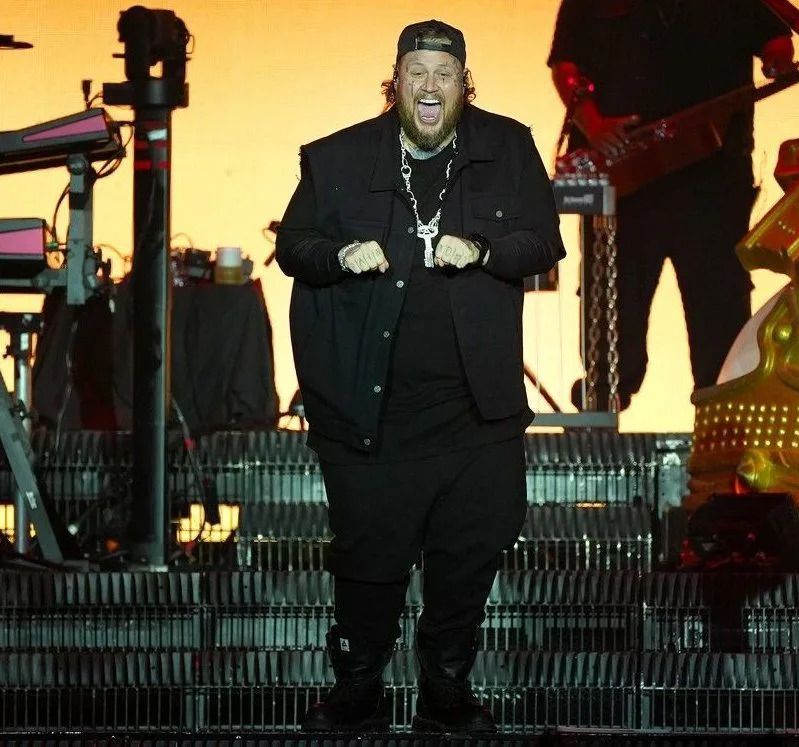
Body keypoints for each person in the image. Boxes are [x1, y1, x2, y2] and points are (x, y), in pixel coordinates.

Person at [275, 19, 564, 733]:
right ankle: (358, 689)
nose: (429, 85)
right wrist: (338, 257)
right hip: (371, 413)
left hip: (476, 410)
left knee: (470, 553)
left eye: (444, 73)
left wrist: (486, 250)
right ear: (396, 82)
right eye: (416, 72)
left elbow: (544, 241)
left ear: (463, 84)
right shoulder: (337, 158)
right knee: (368, 559)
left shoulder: (508, 147)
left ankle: (445, 690)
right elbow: (293, 245)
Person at [548, 0, 796, 411]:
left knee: (719, 303)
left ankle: (722, 410)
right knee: (611, 297)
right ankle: (604, 401)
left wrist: (778, 59)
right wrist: (593, 124)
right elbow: (566, 63)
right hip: (623, 179)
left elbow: (775, 35)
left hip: (712, 178)